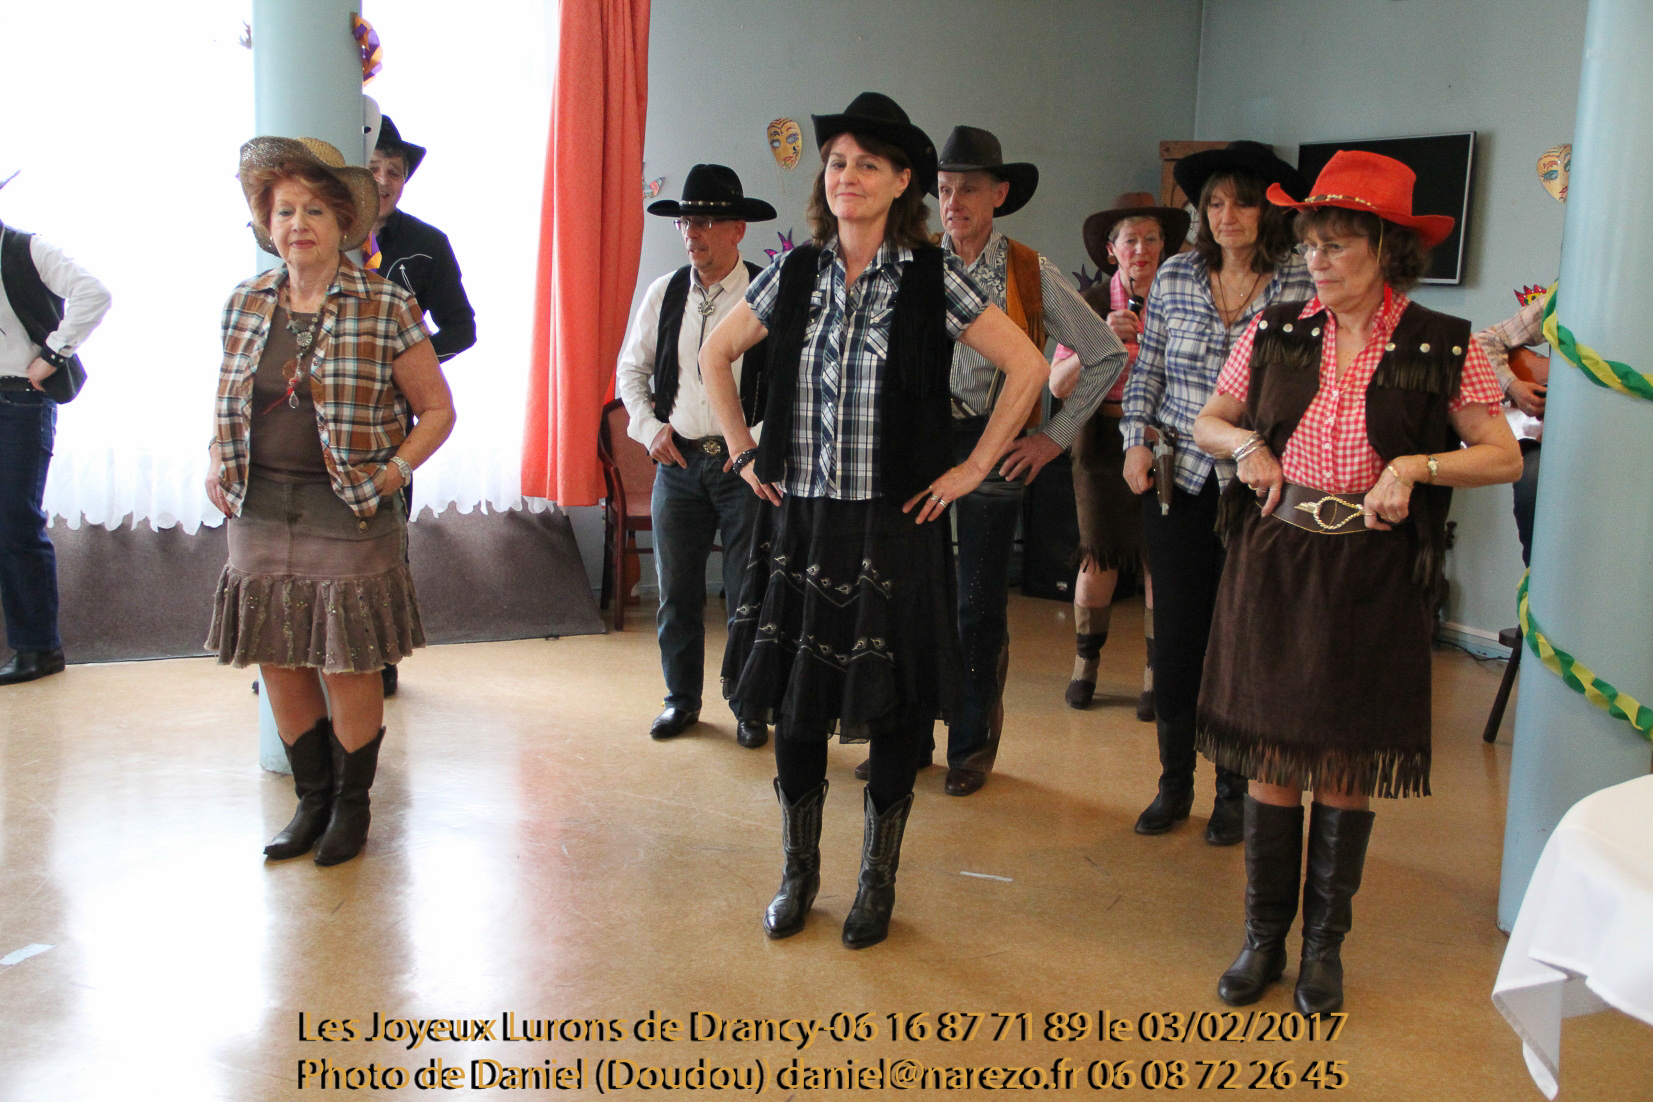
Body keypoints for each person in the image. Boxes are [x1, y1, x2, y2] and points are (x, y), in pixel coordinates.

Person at [698, 93, 1048, 948]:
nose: (846, 175)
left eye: (866, 164)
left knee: (893, 712)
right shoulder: (797, 272)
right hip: (802, 522)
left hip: (895, 526)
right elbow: (715, 352)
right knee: (796, 706)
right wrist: (742, 450)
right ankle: (798, 874)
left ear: (901, 183)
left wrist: (973, 467)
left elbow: (1028, 366)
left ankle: (875, 882)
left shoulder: (933, 277)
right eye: (837, 162)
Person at [1193, 150, 1519, 1014]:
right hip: (1275, 562)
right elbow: (1209, 420)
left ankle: (1322, 951)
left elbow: (1500, 455)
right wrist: (1247, 447)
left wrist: (1413, 465)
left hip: (1373, 572)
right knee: (1270, 753)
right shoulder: (1275, 331)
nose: (1316, 259)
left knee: (1343, 759)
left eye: (1336, 244)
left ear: (1385, 249)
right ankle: (1262, 939)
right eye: (1309, 243)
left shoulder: (1441, 342)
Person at [207, 137, 455, 866]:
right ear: (267, 223)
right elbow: (228, 402)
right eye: (285, 210)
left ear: (344, 221)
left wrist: (391, 474)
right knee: (278, 658)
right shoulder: (245, 303)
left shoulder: (386, 304)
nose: (298, 224)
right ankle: (311, 802)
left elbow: (437, 411)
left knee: (347, 661)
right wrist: (216, 455)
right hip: (258, 507)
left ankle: (352, 807)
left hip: (348, 509)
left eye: (314, 209)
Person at [1119, 141, 1314, 847]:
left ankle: (1233, 790)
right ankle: (1174, 783)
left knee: (1242, 640)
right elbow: (1147, 369)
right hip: (1178, 477)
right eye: (1215, 204)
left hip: (1260, 484)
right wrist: (1134, 439)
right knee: (1176, 638)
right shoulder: (1175, 274)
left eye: (1243, 202)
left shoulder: (1299, 279)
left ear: (1269, 211)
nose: (1227, 216)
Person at [928, 125, 1126, 797]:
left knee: (977, 602)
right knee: (915, 594)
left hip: (997, 442)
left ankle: (970, 746)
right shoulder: (916, 262)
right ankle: (907, 738)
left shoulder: (1028, 272)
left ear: (999, 194)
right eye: (944, 189)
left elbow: (1104, 355)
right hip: (924, 446)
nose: (953, 202)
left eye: (969, 189)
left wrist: (1052, 437)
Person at [616, 164, 777, 747]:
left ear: (737, 229)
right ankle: (680, 700)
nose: (692, 233)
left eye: (705, 221)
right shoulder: (664, 293)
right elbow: (631, 371)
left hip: (744, 469)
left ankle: (749, 705)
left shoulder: (766, 292)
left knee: (747, 590)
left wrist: (753, 441)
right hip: (679, 465)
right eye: (686, 221)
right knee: (677, 592)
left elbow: (788, 383)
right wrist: (648, 428)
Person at [1053, 193, 1190, 714]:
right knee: (1099, 556)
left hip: (1165, 439)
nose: (1142, 249)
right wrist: (1099, 341)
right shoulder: (1087, 303)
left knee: (1160, 557)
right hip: (1101, 442)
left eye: (1152, 238)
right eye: (1131, 239)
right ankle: (1085, 666)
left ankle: (1157, 676)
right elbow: (1058, 385)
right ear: (1111, 250)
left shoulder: (1181, 300)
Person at [368, 115, 476, 697]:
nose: (385, 181)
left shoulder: (427, 245)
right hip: (313, 416)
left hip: (392, 423)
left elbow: (461, 327)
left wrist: (408, 365)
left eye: (395, 171)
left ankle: (382, 658)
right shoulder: (321, 234)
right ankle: (298, 661)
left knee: (387, 543)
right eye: (374, 168)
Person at [0, 181, 111, 685]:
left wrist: (53, 353)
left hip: (18, 399)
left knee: (15, 522)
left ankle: (38, 649)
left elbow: (94, 293)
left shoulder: (26, 248)